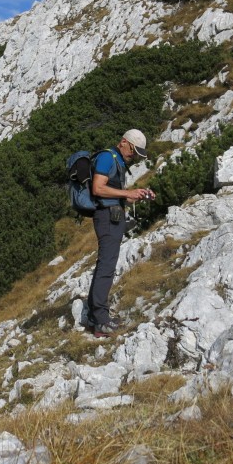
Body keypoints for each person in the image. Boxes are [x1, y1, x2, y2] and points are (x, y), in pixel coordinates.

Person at [86, 129, 154, 338]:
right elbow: (98, 188)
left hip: (113, 216)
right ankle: (101, 321)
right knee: (106, 266)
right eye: (133, 151)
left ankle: (94, 316)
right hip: (106, 218)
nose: (132, 156)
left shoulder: (118, 162)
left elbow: (119, 196)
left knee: (106, 264)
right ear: (124, 142)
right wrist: (127, 193)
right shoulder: (108, 157)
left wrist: (138, 195)